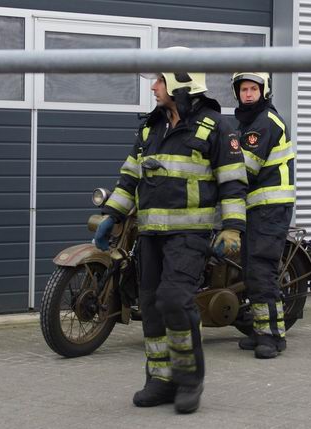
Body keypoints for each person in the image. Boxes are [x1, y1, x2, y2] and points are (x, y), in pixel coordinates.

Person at [93, 49, 248, 414]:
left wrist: (232, 228)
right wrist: (112, 214)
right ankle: (160, 380)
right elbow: (130, 176)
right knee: (150, 305)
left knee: (174, 300)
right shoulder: (151, 127)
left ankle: (189, 379)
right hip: (151, 235)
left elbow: (233, 183)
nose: (153, 88)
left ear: (180, 81)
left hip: (189, 235)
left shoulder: (216, 127)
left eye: (159, 80)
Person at [230, 72, 296, 359]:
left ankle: (272, 337)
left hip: (270, 208)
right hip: (257, 208)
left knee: (261, 271)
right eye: (243, 89)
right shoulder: (247, 122)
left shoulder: (265, 122)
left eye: (253, 89)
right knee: (251, 271)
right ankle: (261, 331)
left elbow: (245, 167)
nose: (247, 94)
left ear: (263, 91)